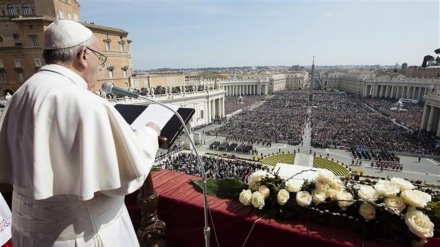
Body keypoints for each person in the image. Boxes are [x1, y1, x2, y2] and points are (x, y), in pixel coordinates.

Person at [0, 20, 161, 246]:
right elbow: (127, 178)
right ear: (83, 55)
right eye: (100, 58)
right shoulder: (87, 104)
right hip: (84, 236)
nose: (100, 66)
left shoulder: (20, 95)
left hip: (29, 236)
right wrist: (149, 134)